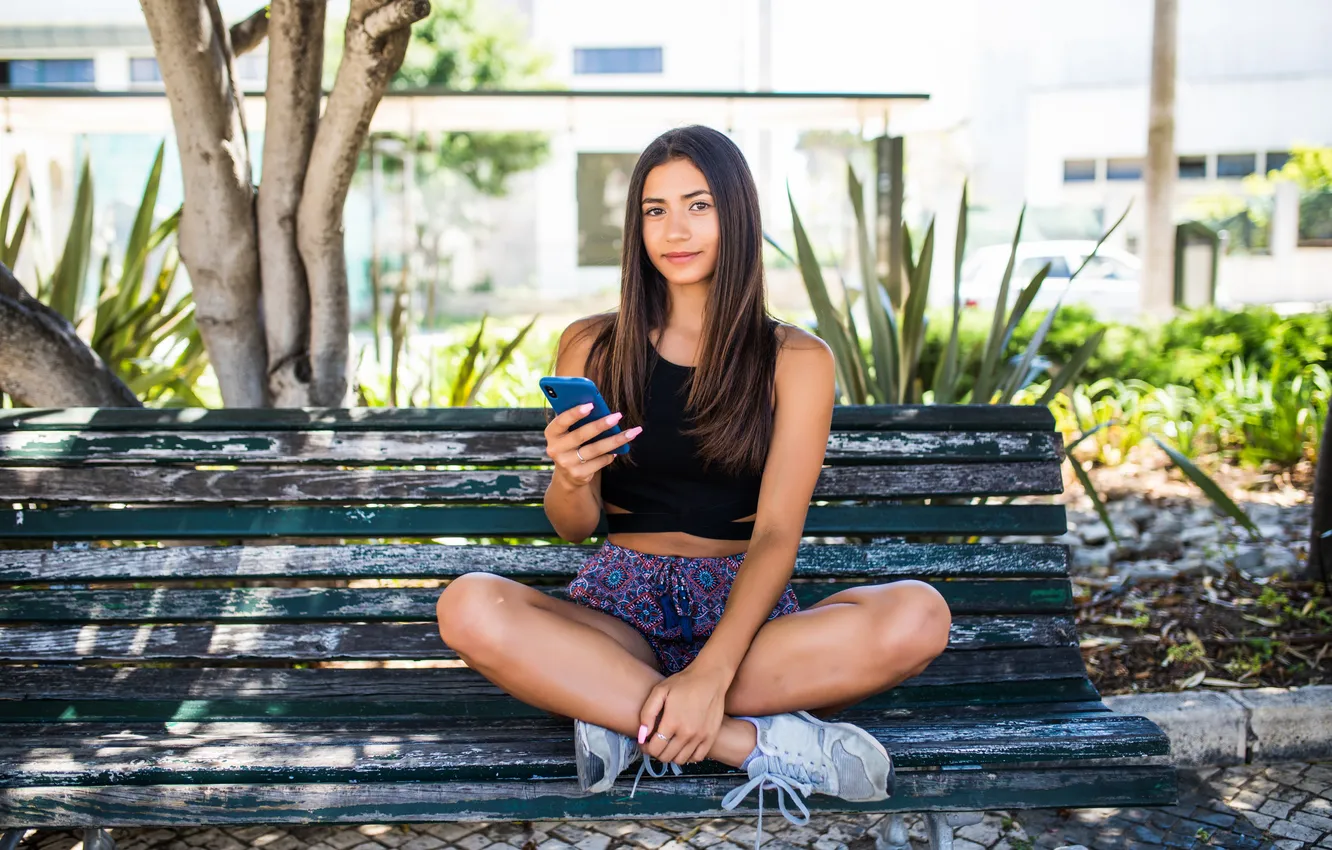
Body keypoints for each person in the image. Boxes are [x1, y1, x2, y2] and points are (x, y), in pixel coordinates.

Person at [436, 125, 952, 834]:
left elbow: (776, 533)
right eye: (655, 210)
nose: (674, 230)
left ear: (735, 214)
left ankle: (617, 714)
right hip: (619, 613)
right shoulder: (591, 344)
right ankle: (754, 744)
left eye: (698, 206)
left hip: (747, 621)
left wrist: (711, 672)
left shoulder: (796, 358)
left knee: (920, 615)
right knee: (467, 605)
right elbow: (574, 528)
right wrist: (571, 476)